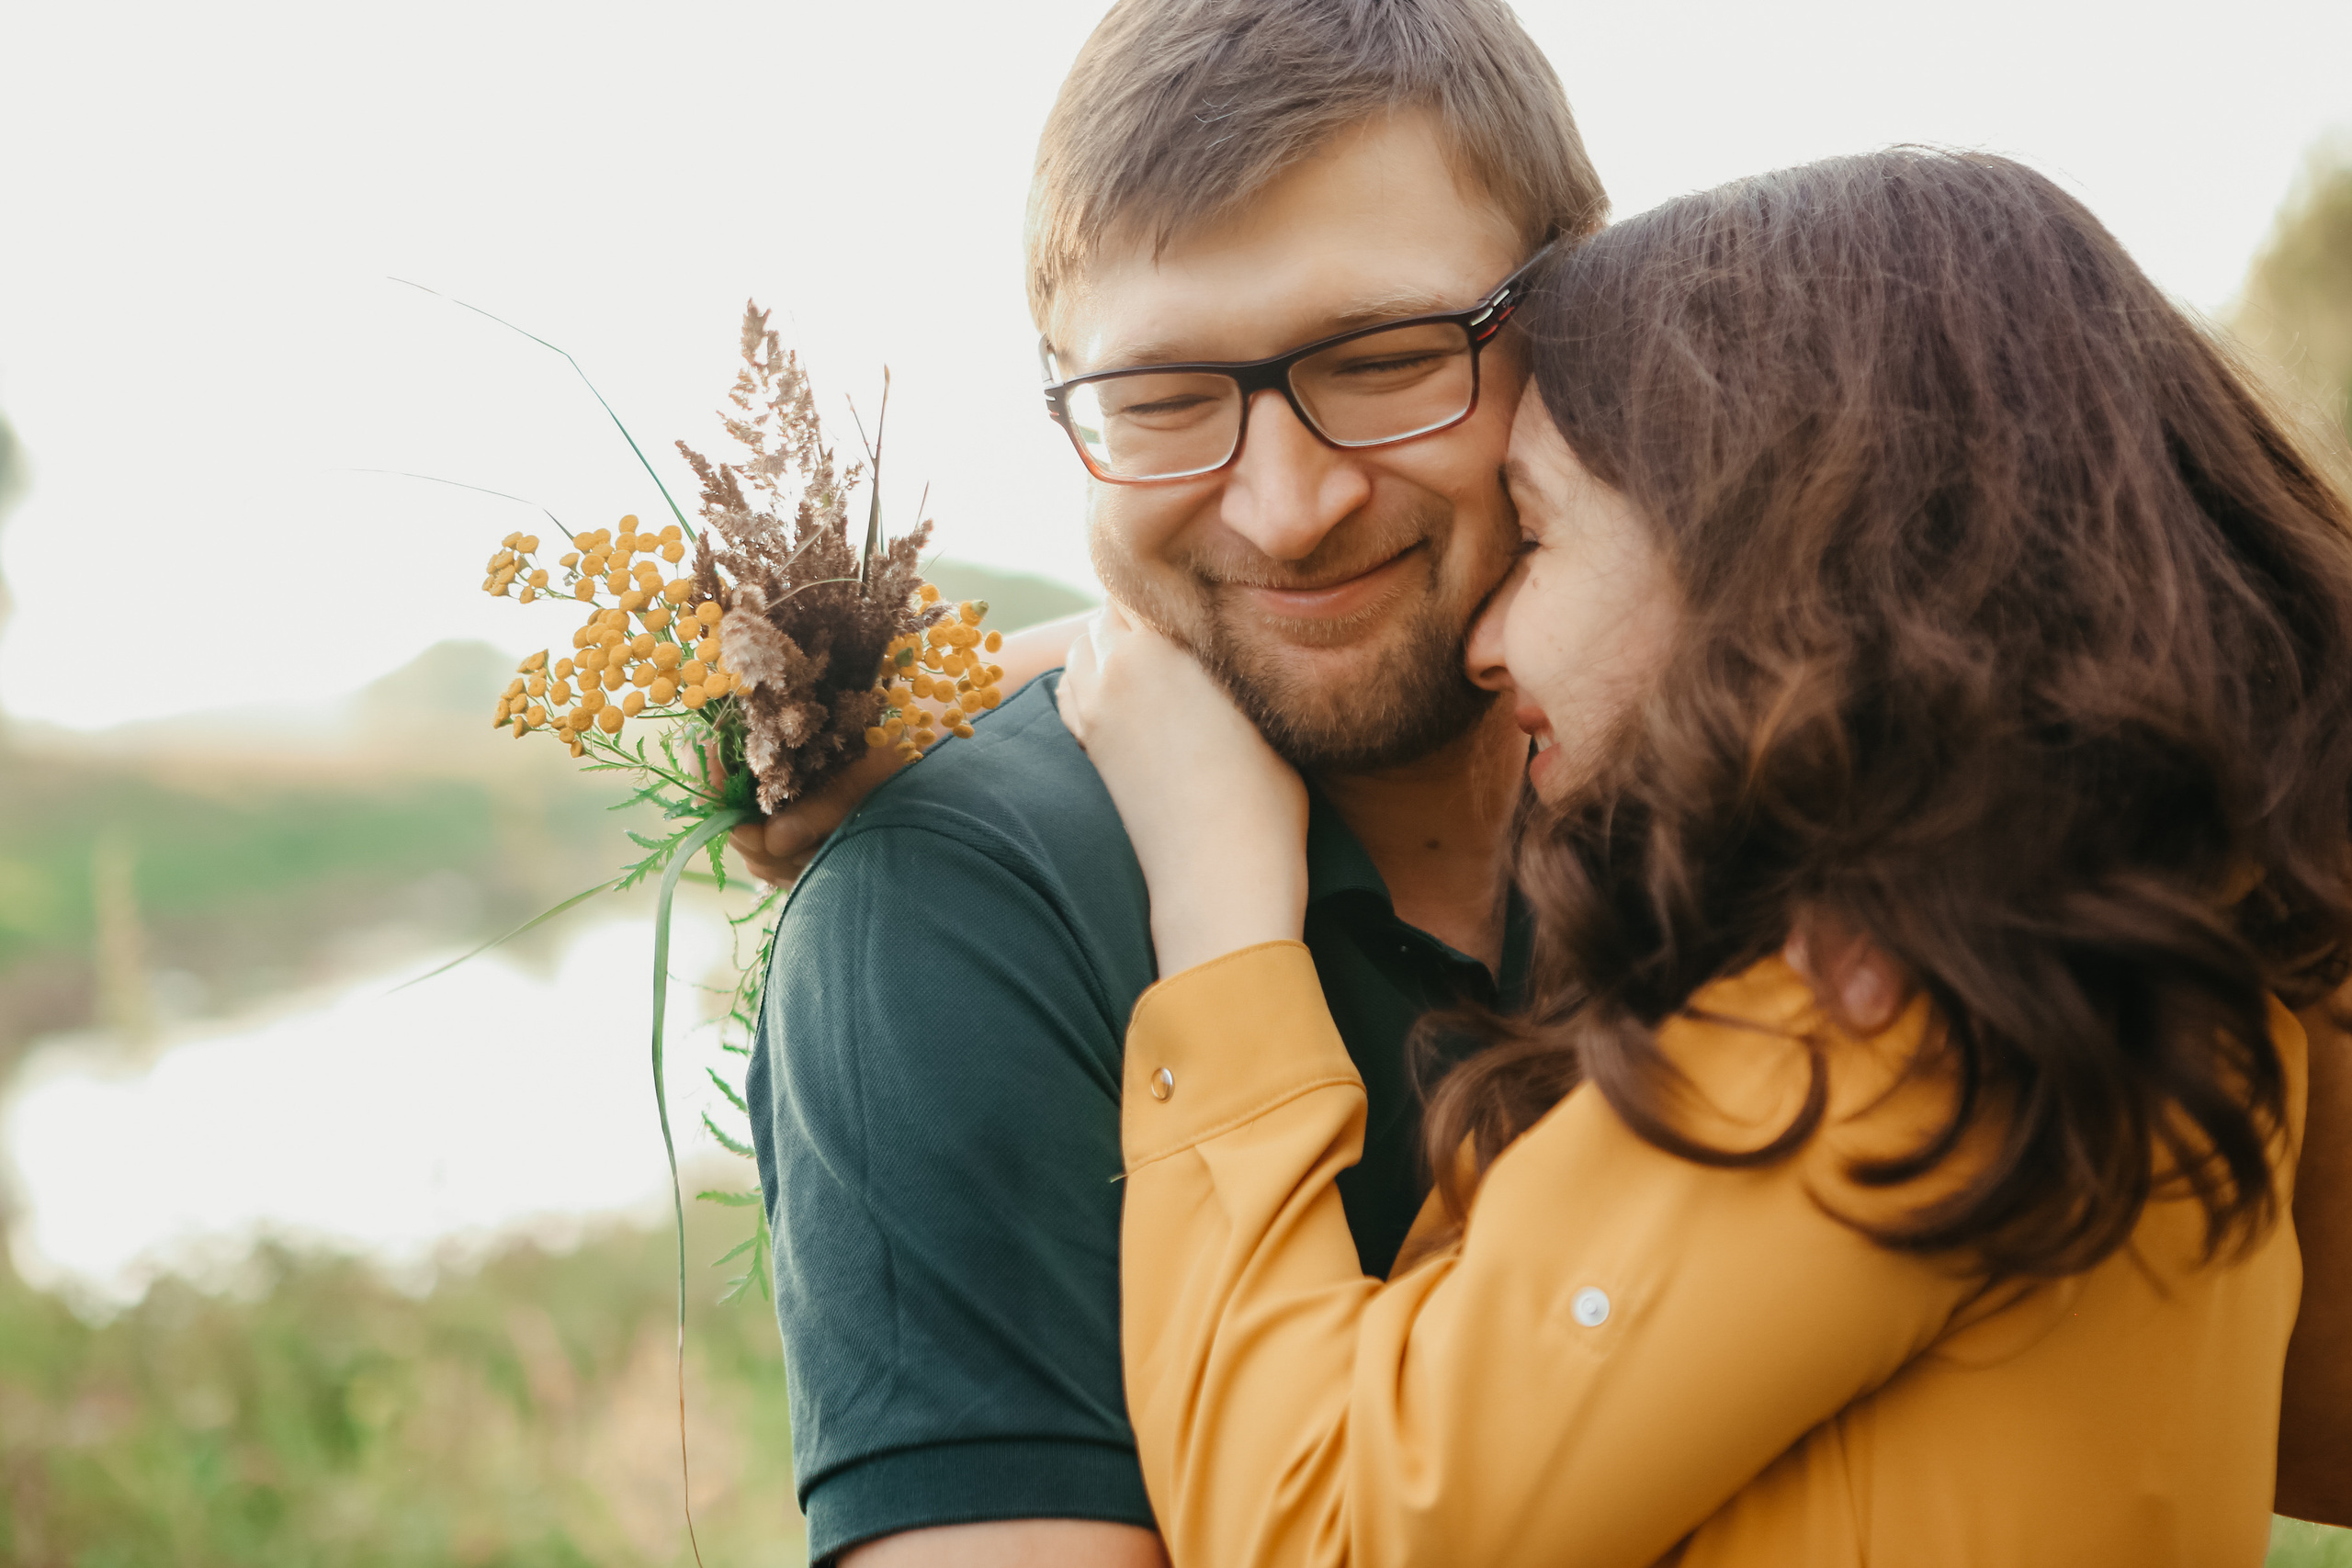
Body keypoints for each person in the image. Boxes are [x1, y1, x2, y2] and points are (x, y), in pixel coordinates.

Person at [738, 4, 2352, 1562]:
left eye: (1383, 359)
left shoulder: (1871, 941)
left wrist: (1221, 913)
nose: (1287, 512)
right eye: (1162, 401)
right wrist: (967, 684)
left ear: (1572, 319)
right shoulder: (951, 905)